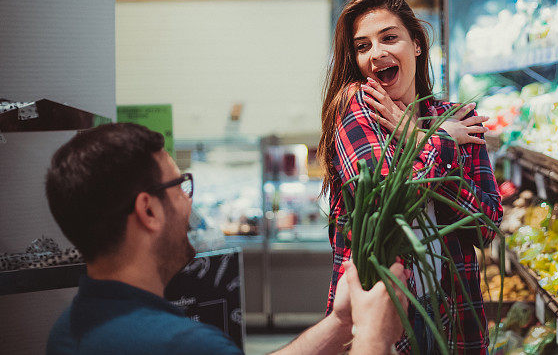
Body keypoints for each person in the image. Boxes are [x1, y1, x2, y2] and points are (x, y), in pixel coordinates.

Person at [45, 122, 408, 355]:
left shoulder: (66, 331)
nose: (190, 202)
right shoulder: (178, 344)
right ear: (148, 211)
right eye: (180, 185)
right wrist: (374, 337)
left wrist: (340, 322)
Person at [319, 0, 503, 354]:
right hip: (381, 318)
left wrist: (412, 134)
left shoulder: (458, 117)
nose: (376, 53)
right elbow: (386, 196)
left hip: (454, 316)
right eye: (362, 46)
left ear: (416, 44)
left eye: (389, 37)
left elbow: (486, 227)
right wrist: (438, 143)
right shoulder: (357, 104)